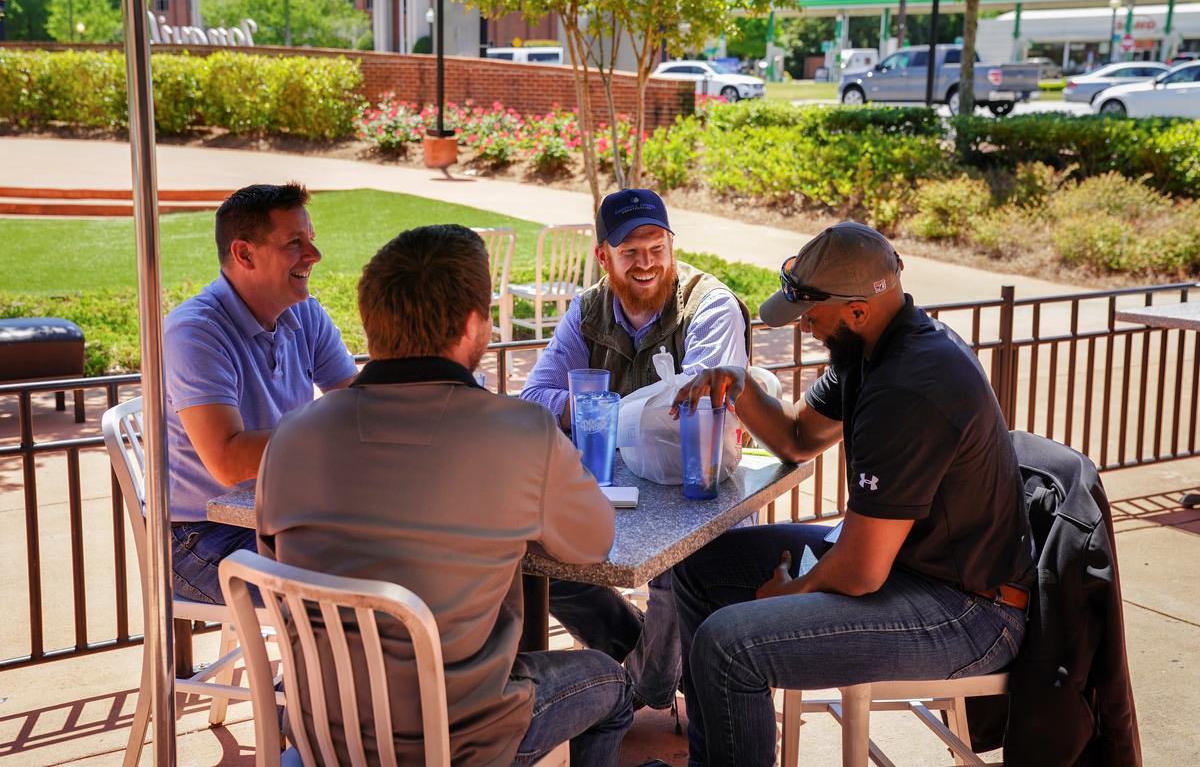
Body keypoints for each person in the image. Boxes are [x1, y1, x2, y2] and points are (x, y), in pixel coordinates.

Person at [256, 224, 633, 765]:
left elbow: (277, 564)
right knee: (611, 684)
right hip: (461, 739)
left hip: (321, 730)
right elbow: (594, 542)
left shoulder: (291, 436)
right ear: (473, 325)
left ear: (370, 321)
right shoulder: (519, 432)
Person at [670, 221, 1035, 767]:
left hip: (967, 611)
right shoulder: (870, 349)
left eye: (811, 317)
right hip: (909, 567)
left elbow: (862, 570)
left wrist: (790, 595)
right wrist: (737, 384)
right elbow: (798, 437)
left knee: (731, 645)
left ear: (858, 311)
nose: (804, 327)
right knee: (700, 567)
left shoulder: (910, 386)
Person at [520, 188, 751, 710]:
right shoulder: (588, 309)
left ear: (672, 245)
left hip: (697, 492)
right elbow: (533, 397)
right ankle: (641, 651)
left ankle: (638, 688)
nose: (646, 263)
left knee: (678, 569)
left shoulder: (711, 305)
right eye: (630, 252)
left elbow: (694, 405)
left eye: (656, 248)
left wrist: (596, 409)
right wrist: (625, 412)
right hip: (613, 488)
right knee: (535, 562)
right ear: (604, 257)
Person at [163, 183, 357, 605]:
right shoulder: (195, 331)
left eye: (311, 241)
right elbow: (228, 461)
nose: (314, 255)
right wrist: (333, 430)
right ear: (244, 254)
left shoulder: (302, 311)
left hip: (281, 516)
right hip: (197, 535)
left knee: (399, 558)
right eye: (294, 243)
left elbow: (355, 399)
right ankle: (305, 675)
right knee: (345, 586)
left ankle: (330, 673)